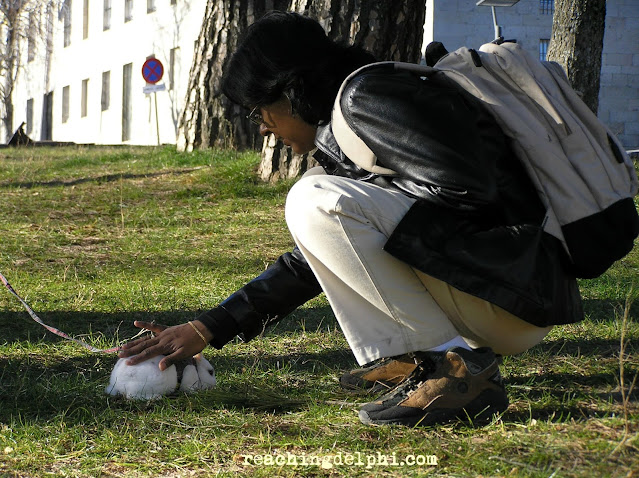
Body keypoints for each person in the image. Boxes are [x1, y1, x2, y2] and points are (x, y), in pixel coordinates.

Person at [118, 11, 583, 427]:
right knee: (320, 207)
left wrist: (382, 208)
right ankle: (418, 358)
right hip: (503, 291)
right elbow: (319, 257)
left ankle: (453, 369)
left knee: (313, 199)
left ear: (292, 92)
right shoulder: (356, 114)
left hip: (513, 296)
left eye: (261, 110)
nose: (262, 127)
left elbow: (471, 193)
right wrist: (210, 326)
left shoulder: (368, 98)